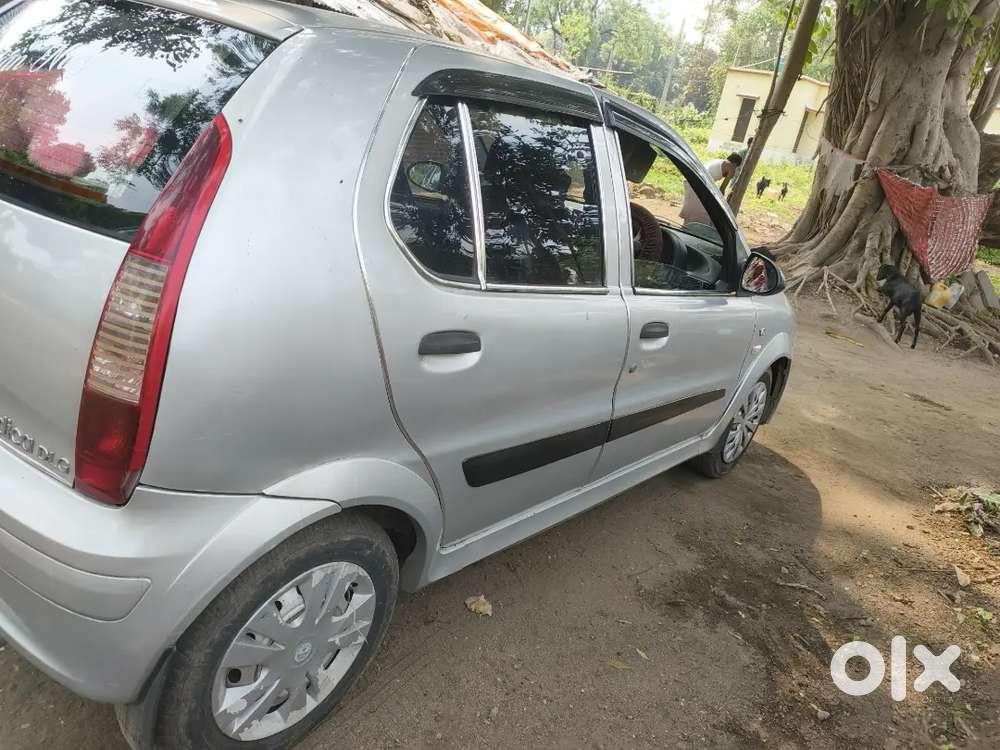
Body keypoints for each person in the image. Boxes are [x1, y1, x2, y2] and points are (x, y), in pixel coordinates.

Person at [680, 152, 742, 226]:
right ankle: (691, 230)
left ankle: (686, 228)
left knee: (692, 210)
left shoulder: (718, 161)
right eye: (736, 167)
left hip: (690, 180)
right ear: (735, 164)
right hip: (698, 184)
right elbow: (722, 189)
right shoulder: (732, 168)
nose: (735, 169)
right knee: (702, 213)